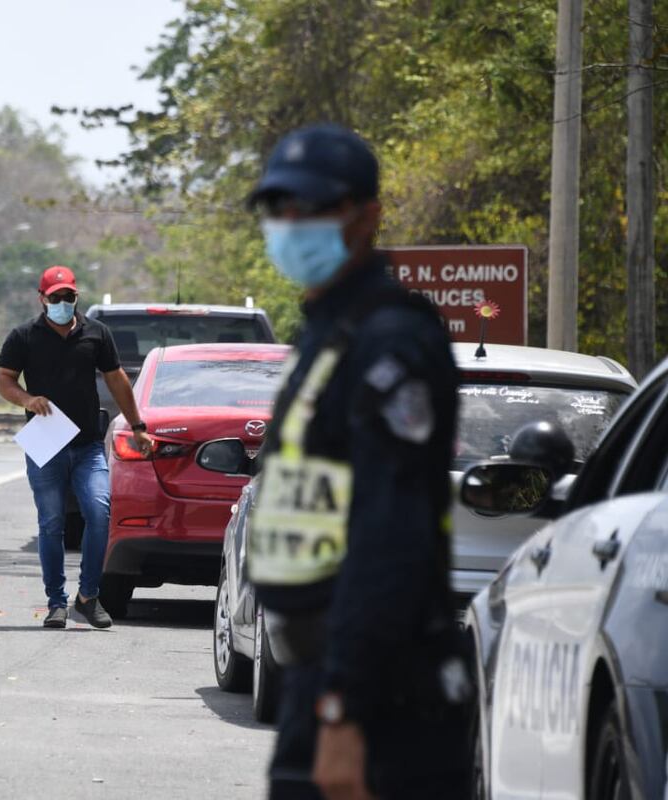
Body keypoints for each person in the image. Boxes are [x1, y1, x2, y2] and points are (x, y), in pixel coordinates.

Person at [244, 125, 471, 799]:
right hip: (319, 677)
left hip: (381, 697)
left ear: (366, 215)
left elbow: (389, 538)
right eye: (279, 210)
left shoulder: (390, 342)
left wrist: (345, 708)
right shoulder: (330, 332)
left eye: (312, 209)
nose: (292, 226)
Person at [0, 266, 151, 629]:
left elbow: (117, 379)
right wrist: (27, 398)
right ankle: (56, 603)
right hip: (45, 445)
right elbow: (4, 380)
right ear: (42, 299)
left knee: (98, 513)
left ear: (76, 297)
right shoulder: (23, 337)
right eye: (56, 298)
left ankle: (88, 596)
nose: (63, 303)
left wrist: (138, 426)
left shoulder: (96, 334)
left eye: (69, 297)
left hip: (87, 444)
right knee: (51, 523)